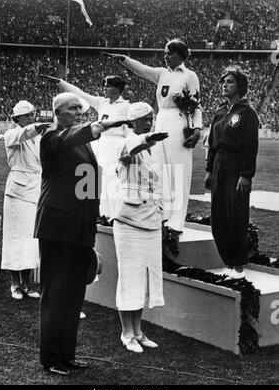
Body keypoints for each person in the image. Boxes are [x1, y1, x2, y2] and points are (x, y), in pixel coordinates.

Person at [34, 92, 127, 376]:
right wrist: (99, 127)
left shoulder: (82, 142)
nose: (79, 112)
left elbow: (87, 185)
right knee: (56, 294)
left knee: (74, 295)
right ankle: (51, 358)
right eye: (73, 108)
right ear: (57, 113)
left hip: (79, 227)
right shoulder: (52, 138)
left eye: (81, 108)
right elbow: (69, 137)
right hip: (57, 228)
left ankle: (67, 355)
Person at [105, 39, 203, 232]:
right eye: (165, 53)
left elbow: (196, 105)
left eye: (169, 53)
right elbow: (142, 69)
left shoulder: (190, 76)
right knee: (162, 169)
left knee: (178, 170)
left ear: (179, 55)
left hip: (179, 121)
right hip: (161, 120)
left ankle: (177, 220)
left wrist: (198, 130)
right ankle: (164, 214)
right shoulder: (161, 73)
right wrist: (123, 59)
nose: (165, 56)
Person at [113, 102, 167, 353]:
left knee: (145, 278)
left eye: (151, 118)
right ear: (132, 123)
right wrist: (146, 137)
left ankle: (138, 330)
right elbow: (127, 150)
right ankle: (126, 333)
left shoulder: (152, 149)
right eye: (144, 119)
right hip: (129, 222)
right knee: (130, 277)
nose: (149, 122)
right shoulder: (126, 143)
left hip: (151, 220)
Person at [42, 74, 131, 220]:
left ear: (117, 89)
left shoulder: (126, 106)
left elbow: (129, 131)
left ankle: (116, 215)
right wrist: (61, 82)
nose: (104, 88)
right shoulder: (102, 102)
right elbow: (80, 93)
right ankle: (102, 214)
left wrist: (126, 151)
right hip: (101, 143)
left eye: (108, 86)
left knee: (114, 180)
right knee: (99, 180)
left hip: (117, 146)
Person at [204, 67, 259, 279]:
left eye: (230, 82)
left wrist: (246, 175)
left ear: (240, 87)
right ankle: (228, 260)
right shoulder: (219, 112)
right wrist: (209, 170)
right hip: (219, 164)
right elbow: (212, 144)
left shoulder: (248, 113)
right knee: (218, 218)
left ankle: (238, 263)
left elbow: (250, 146)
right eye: (223, 82)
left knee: (236, 215)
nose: (224, 85)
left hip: (236, 166)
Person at [1, 101, 50, 300]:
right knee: (15, 238)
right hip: (17, 192)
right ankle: (15, 284)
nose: (31, 117)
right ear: (17, 119)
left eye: (32, 114)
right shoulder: (11, 134)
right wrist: (36, 128)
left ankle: (27, 284)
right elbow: (24, 133)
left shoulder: (38, 138)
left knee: (31, 239)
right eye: (27, 115)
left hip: (36, 190)